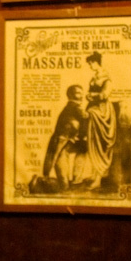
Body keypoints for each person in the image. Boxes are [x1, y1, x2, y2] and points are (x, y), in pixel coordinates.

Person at [42, 84, 87, 190]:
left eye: (81, 93)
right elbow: (84, 118)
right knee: (60, 156)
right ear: (70, 95)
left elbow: (82, 123)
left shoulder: (74, 107)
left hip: (71, 138)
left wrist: (80, 136)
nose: (81, 95)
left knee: (83, 149)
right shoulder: (74, 106)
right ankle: (67, 183)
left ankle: (73, 181)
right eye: (78, 93)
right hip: (62, 139)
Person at [83, 51, 117, 189]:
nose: (90, 66)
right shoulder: (95, 76)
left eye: (91, 63)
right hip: (93, 109)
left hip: (102, 112)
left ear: (96, 62)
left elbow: (105, 94)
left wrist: (93, 95)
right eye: (89, 63)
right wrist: (89, 96)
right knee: (92, 142)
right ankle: (94, 174)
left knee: (99, 144)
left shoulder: (106, 77)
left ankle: (98, 178)